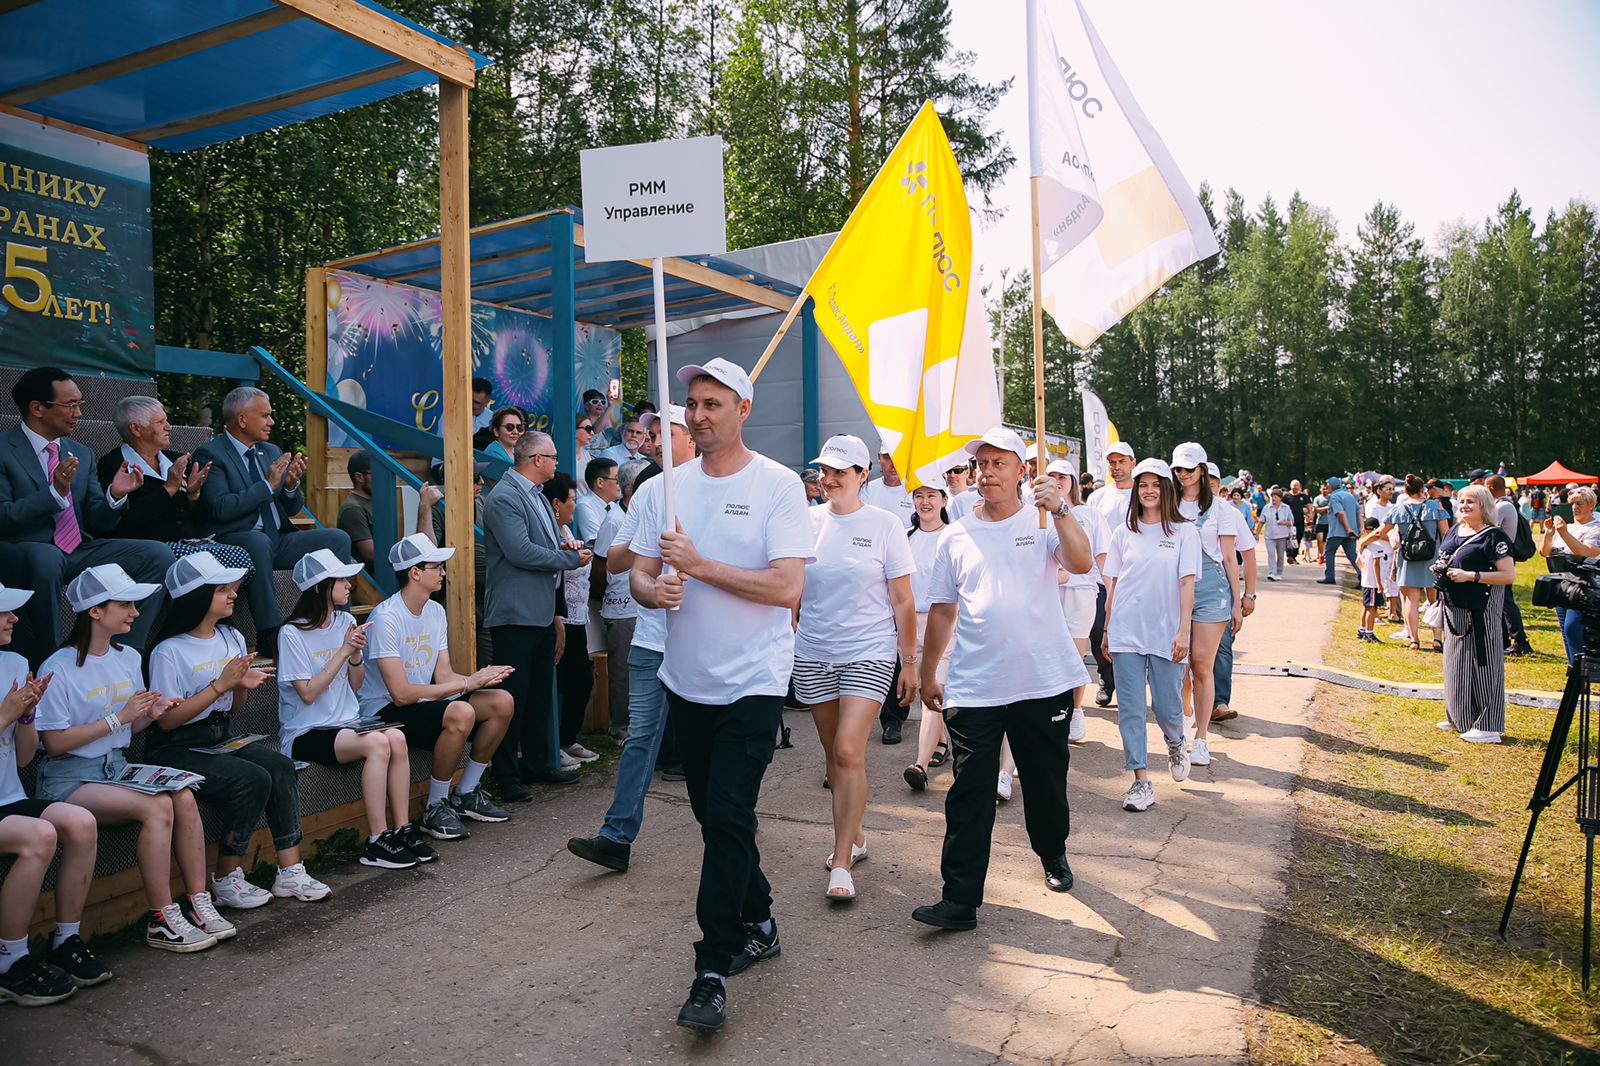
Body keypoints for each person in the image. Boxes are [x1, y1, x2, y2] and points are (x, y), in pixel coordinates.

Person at [626, 357, 812, 1032]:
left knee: (728, 815)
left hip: (755, 683)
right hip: (687, 682)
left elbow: (787, 588)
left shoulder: (779, 487)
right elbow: (641, 576)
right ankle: (759, 917)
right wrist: (658, 590)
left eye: (713, 403)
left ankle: (712, 966)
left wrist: (700, 567)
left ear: (743, 409)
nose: (698, 415)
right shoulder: (664, 489)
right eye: (692, 403)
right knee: (717, 817)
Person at [911, 426, 1092, 933]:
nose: (986, 473)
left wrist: (1061, 510)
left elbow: (1080, 562)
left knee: (1044, 782)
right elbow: (943, 610)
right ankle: (960, 899)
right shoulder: (956, 533)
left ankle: (1052, 853)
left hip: (1042, 680)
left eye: (998, 464)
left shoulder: (1044, 520)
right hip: (975, 685)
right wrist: (928, 672)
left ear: (1020, 471)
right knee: (969, 791)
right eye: (981, 465)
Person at [34, 564, 228, 951]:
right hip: (71, 777)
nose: (135, 613)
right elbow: (54, 744)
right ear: (94, 611)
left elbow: (127, 730)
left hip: (117, 765)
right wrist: (119, 717)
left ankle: (199, 903)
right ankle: (161, 919)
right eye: (125, 604)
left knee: (185, 796)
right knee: (158, 809)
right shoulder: (58, 666)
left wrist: (148, 715)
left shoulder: (127, 657)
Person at [146, 553, 331, 906]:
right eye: (221, 589)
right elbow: (167, 720)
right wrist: (220, 685)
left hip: (221, 734)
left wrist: (241, 686)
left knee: (279, 766)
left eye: (230, 588)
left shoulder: (231, 635)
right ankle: (225, 878)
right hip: (177, 746)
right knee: (251, 778)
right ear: (195, 598)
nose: (233, 594)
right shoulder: (168, 651)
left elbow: (235, 708)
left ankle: (290, 871)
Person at [790, 435, 917, 902]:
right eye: (824, 470)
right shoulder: (805, 521)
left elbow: (903, 598)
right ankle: (857, 835)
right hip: (814, 651)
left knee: (848, 749)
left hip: (869, 650)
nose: (828, 479)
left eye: (839, 471)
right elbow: (792, 586)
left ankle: (841, 860)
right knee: (831, 753)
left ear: (864, 475)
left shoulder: (885, 524)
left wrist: (910, 662)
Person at [0, 368, 173, 667]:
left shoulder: (82, 452)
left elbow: (98, 521)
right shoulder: (4, 449)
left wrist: (116, 496)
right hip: (23, 550)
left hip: (77, 549)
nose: (78, 413)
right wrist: (53, 494)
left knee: (158, 554)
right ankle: (52, 659)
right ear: (37, 408)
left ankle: (124, 655)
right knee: (46, 557)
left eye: (80, 404)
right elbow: (4, 516)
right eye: (70, 405)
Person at [358, 533, 516, 839]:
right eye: (437, 567)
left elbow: (443, 676)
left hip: (419, 703)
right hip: (384, 711)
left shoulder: (435, 610)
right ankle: (435, 806)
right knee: (460, 713)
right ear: (415, 573)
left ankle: (467, 793)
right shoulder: (386, 618)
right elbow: (401, 694)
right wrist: (468, 683)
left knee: (501, 701)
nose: (443, 572)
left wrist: (478, 679)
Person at [277, 549, 422, 869]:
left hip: (346, 721)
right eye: (340, 579)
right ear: (319, 588)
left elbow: (354, 685)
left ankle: (401, 829)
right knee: (378, 742)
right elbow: (308, 695)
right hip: (307, 730)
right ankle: (376, 840)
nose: (349, 585)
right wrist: (344, 651)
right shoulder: (291, 633)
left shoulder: (345, 620)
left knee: (396, 738)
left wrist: (355, 655)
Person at [0, 581, 106, 1004]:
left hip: (8, 796)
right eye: (4, 612)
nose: (14, 619)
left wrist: (25, 718)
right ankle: (10, 960)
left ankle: (65, 940)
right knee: (39, 836)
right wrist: (4, 713)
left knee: (80, 822)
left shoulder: (13, 663)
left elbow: (25, 759)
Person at [192, 386, 350, 660]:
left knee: (337, 538)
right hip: (237, 540)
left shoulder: (270, 450)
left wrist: (289, 487)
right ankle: (269, 632)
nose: (272, 422)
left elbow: (290, 507)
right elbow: (220, 508)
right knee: (257, 540)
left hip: (278, 539)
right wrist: (267, 485)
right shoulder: (211, 454)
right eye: (265, 416)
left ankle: (338, 623)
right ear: (242, 419)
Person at [483, 432, 590, 793]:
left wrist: (565, 545)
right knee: (512, 697)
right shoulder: (503, 497)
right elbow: (520, 552)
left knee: (541, 694)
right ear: (536, 460)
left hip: (542, 611)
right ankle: (506, 775)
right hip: (515, 613)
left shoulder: (539, 497)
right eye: (554, 456)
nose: (558, 463)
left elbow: (541, 545)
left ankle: (538, 763)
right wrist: (569, 558)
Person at [1101, 459, 1199, 813]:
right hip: (1126, 630)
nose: (1149, 490)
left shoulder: (1184, 532)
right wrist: (1108, 628)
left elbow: (1187, 583)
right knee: (1129, 708)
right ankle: (1141, 781)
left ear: (1167, 489)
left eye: (1156, 484)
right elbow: (1112, 584)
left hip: (1166, 633)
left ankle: (1175, 741)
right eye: (1143, 484)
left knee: (1166, 706)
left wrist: (1184, 631)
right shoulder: (1122, 533)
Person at [97, 396, 255, 579]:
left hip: (189, 543)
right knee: (223, 563)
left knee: (242, 560)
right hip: (148, 549)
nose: (169, 427)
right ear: (135, 428)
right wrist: (169, 488)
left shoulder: (177, 460)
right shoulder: (114, 466)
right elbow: (123, 522)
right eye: (161, 422)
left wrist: (193, 496)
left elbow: (201, 518)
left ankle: (204, 605)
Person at [1170, 444, 1239, 769]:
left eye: (1188, 468)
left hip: (1213, 594)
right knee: (1177, 665)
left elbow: (1229, 558)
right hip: (1175, 590)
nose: (1182, 474)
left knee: (1201, 665)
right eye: (1178, 469)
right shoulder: (1168, 504)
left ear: (1202, 470)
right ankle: (1184, 720)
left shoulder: (1221, 509)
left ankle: (1201, 737)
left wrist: (1239, 602)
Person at [1435, 485, 1516, 743]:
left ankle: (1489, 726)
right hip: (1454, 606)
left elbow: (1508, 575)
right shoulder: (1455, 531)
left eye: (1471, 501)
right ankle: (1459, 716)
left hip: (1482, 608)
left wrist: (1472, 576)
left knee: (1484, 662)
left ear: (1484, 506)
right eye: (1461, 500)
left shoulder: (1494, 537)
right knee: (1455, 660)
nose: (1464, 505)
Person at [1047, 459, 1110, 743]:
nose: (1057, 481)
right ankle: (1050, 712)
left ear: (1072, 480)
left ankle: (1075, 709)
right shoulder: (1037, 514)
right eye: (1051, 476)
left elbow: (1103, 559)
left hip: (1082, 591)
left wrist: (1111, 601)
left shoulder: (1091, 515)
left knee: (1074, 655)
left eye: (1063, 476)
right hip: (1047, 592)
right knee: (1047, 655)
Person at [593, 459, 651, 748]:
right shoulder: (615, 518)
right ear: (634, 488)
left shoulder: (636, 515)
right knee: (622, 671)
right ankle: (621, 728)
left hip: (641, 604)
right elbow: (601, 566)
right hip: (621, 605)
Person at [542, 473, 598, 769]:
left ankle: (567, 737)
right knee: (562, 681)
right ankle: (555, 742)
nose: (575, 505)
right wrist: (557, 616)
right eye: (572, 499)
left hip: (577, 619)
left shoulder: (564, 531)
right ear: (556, 503)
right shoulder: (549, 534)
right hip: (559, 618)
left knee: (580, 679)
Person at [902, 483, 954, 790]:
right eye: (919, 496)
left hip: (945, 622)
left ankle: (919, 764)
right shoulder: (905, 538)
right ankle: (942, 742)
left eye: (932, 495)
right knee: (922, 688)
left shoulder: (954, 536)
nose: (925, 502)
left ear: (944, 500)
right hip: (911, 623)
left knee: (933, 690)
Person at [1372, 474, 1450, 650]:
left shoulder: (1398, 509)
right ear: (1422, 490)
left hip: (1408, 558)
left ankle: (1414, 639)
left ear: (1405, 491)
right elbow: (1446, 534)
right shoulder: (1435, 506)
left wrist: (1365, 542)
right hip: (1432, 557)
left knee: (1411, 600)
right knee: (1435, 599)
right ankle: (1437, 638)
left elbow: (1381, 532)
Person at [1087, 442, 1136, 709]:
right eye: (1112, 463)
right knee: (1098, 632)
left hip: (1135, 576)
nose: (1116, 468)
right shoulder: (1097, 497)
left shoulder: (1143, 494)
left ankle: (1130, 686)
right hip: (1102, 576)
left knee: (1130, 634)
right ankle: (1106, 679)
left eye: (1121, 462)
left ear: (1132, 463)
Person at [1207, 463, 1257, 724]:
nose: (1210, 484)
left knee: (1223, 646)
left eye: (1214, 480)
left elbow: (1247, 556)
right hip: (1184, 591)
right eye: (1205, 479)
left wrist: (1249, 595)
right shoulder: (1178, 511)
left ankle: (1219, 702)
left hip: (1221, 591)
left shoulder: (1231, 513)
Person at [1540, 486, 1600, 663]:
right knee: (1566, 632)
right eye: (1571, 503)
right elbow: (1544, 552)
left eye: (1579, 503)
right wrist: (1549, 534)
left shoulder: (1595, 528)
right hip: (1562, 583)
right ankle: (1573, 671)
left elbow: (1585, 552)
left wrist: (1563, 533)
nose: (1574, 508)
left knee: (1573, 628)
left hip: (1584, 586)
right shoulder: (1566, 526)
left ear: (1592, 505)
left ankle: (1583, 672)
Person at [1488, 475, 1534, 656]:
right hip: (1504, 556)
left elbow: (1488, 528)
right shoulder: (1506, 504)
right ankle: (1506, 637)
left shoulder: (1501, 506)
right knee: (1502, 599)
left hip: (1502, 558)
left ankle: (1520, 639)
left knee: (1506, 600)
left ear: (1490, 487)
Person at [337, 449, 378, 571]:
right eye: (376, 473)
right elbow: (371, 554)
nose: (381, 478)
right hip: (371, 580)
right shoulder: (352, 508)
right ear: (359, 477)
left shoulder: (376, 502)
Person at [1318, 477, 1360, 584]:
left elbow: (1340, 513)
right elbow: (1359, 511)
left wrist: (1347, 528)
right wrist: (1359, 528)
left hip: (1337, 531)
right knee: (1352, 555)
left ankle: (1330, 577)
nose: (1326, 487)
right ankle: (1363, 576)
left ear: (1331, 486)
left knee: (1329, 552)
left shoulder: (1334, 497)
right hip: (1352, 532)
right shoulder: (1350, 496)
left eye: (1327, 485)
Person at [863, 446, 918, 530]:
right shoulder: (865, 490)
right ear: (879, 457)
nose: (894, 464)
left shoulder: (918, 493)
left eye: (899, 457)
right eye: (888, 457)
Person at [1355, 518, 1391, 643]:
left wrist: (1364, 572)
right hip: (1373, 583)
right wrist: (1379, 583)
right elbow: (1376, 565)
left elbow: (1357, 562)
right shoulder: (1377, 547)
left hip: (1366, 581)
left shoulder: (1362, 545)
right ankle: (1369, 633)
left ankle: (1362, 629)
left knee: (1366, 607)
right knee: (1372, 608)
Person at [575, 457, 619, 544]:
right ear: (600, 482)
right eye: (617, 480)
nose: (620, 483)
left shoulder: (614, 506)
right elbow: (600, 542)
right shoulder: (584, 505)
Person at [1262, 487, 1294, 580]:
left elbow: (1292, 521)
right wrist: (1257, 533)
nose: (1274, 498)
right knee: (1271, 553)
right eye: (1272, 496)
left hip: (1282, 535)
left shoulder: (1286, 508)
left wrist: (1285, 523)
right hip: (1269, 535)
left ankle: (1279, 572)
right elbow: (1261, 521)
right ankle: (1272, 572)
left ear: (1280, 498)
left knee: (1280, 555)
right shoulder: (1266, 507)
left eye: (1276, 496)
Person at [1283, 479, 1310, 565]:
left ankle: (1294, 554)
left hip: (1300, 520)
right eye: (1294, 485)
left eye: (1297, 485)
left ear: (1299, 487)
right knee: (1290, 538)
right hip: (1289, 521)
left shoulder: (1303, 496)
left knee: (1298, 537)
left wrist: (1309, 514)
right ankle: (1290, 555)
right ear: (1291, 486)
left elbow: (1309, 506)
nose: (1295, 487)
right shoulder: (1286, 496)